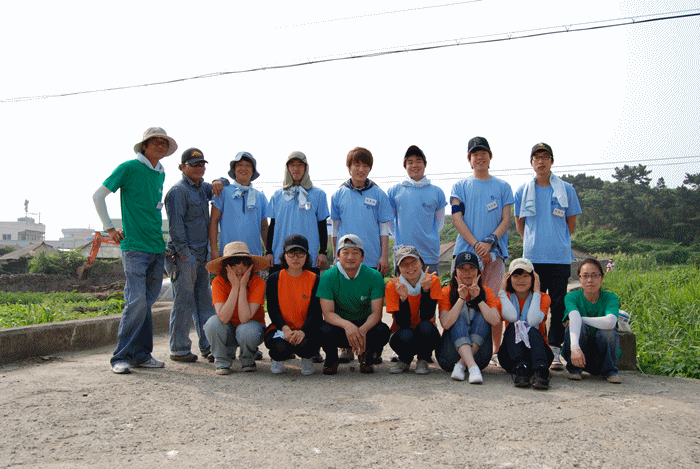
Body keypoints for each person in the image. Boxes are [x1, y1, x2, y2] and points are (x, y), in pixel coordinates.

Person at [93, 127, 177, 374]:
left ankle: (142, 354)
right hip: (135, 248)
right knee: (136, 301)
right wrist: (109, 228)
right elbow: (98, 196)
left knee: (146, 304)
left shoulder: (160, 173)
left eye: (164, 143)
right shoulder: (128, 168)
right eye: (155, 142)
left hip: (156, 247)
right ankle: (121, 357)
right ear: (144, 146)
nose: (160, 146)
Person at [514, 142, 582, 371]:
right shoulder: (522, 191)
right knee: (534, 303)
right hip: (533, 258)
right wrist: (534, 241)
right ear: (531, 162)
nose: (541, 161)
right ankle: (535, 346)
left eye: (545, 157)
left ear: (552, 161)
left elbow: (570, 223)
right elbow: (520, 224)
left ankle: (554, 349)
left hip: (560, 257)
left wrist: (557, 240)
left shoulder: (566, 189)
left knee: (558, 304)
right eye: (537, 157)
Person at [450, 136, 513, 359]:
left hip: (494, 254)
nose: (479, 157)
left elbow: (506, 220)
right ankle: (460, 347)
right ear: (469, 159)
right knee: (461, 299)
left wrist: (489, 242)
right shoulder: (460, 186)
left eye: (483, 153)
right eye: (475, 154)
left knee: (493, 302)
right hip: (465, 255)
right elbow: (457, 219)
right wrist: (477, 245)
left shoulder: (503, 187)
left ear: (490, 156)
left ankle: (496, 350)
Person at [164, 148, 216, 363]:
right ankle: (179, 348)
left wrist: (220, 181)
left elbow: (221, 186)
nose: (199, 168)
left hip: (201, 255)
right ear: (182, 167)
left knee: (204, 302)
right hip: (183, 256)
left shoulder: (202, 188)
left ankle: (208, 346)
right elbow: (175, 228)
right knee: (183, 302)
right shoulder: (178, 192)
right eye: (194, 164)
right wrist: (185, 256)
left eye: (202, 164)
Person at [317, 234, 390, 375]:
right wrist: (347, 326)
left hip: (365, 326)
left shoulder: (374, 276)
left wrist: (362, 330)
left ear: (362, 257)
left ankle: (366, 355)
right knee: (323, 330)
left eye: (355, 253)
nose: (350, 257)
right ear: (338, 256)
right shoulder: (327, 277)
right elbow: (328, 314)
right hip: (340, 327)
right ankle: (332, 358)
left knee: (382, 331)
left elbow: (376, 313)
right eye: (345, 252)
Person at [203, 241, 268, 375]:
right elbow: (223, 317)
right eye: (234, 265)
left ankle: (248, 359)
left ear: (250, 266)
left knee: (246, 329)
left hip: (251, 330)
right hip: (229, 330)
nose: (240, 270)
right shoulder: (218, 282)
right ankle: (221, 361)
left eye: (244, 265)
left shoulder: (258, 282)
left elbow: (244, 318)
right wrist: (235, 287)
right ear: (226, 267)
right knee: (212, 323)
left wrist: (242, 286)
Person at [436, 252, 500, 384]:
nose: (467, 273)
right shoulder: (447, 291)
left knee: (483, 315)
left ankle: (463, 364)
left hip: (480, 357)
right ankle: (472, 367)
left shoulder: (486, 291)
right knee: (456, 316)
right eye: (462, 269)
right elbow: (446, 324)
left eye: (471, 268)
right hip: (449, 357)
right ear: (455, 271)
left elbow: (495, 320)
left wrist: (478, 298)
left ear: (478, 272)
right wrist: (461, 298)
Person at [264, 235, 322, 376]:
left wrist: (302, 331)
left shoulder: (315, 279)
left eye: (300, 253)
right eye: (291, 253)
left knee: (306, 345)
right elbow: (273, 309)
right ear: (284, 255)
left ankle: (307, 358)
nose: (296, 258)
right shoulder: (274, 278)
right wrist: (285, 329)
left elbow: (315, 312)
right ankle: (277, 359)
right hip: (281, 328)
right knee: (280, 348)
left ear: (307, 256)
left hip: (306, 329)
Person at [330, 147, 393, 274]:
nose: (361, 170)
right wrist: (335, 258)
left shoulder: (379, 194)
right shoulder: (337, 195)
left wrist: (384, 256)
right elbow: (335, 229)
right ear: (349, 167)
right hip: (345, 261)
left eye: (365, 166)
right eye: (357, 165)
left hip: (372, 260)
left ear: (370, 168)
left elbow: (384, 228)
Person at [266, 151, 330, 274]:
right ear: (287, 168)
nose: (296, 168)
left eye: (300, 165)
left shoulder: (319, 194)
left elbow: (322, 225)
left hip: (309, 258)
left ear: (306, 168)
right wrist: (268, 251)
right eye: (292, 165)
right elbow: (272, 226)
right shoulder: (277, 195)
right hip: (280, 257)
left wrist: (323, 252)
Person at [387, 145, 447, 274]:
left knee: (430, 287)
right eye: (410, 162)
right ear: (405, 166)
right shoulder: (394, 191)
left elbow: (439, 224)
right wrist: (399, 238)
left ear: (425, 164)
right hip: (403, 256)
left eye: (418, 161)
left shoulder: (437, 192)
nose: (414, 165)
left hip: (429, 255)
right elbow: (390, 223)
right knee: (403, 288)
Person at [495, 258, 553, 389]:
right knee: (514, 325)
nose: (521, 280)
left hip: (539, 353)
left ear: (534, 278)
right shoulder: (504, 298)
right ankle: (520, 369)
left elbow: (533, 320)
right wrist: (502, 292)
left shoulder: (543, 297)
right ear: (508, 279)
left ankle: (541, 371)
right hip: (511, 356)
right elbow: (512, 317)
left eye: (526, 276)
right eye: (516, 276)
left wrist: (536, 292)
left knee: (529, 327)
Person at [562, 258, 622, 383]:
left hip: (601, 358)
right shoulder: (572, 297)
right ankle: (575, 370)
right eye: (585, 276)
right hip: (576, 355)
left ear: (602, 277)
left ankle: (609, 371)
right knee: (578, 327)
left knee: (608, 330)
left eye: (594, 275)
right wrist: (575, 348)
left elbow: (610, 322)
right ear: (579, 278)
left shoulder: (610, 298)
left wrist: (580, 319)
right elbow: (574, 316)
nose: (590, 280)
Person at [385, 245, 441, 375]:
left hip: (425, 332)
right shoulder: (392, 286)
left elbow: (427, 315)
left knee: (426, 326)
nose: (410, 267)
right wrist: (403, 299)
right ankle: (404, 359)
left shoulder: (432, 280)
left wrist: (425, 291)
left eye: (413, 262)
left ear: (421, 263)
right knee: (405, 334)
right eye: (404, 264)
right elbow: (402, 323)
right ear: (398, 268)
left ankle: (423, 359)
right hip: (402, 333)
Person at [209, 152, 269, 259]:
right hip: (228, 255)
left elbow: (264, 226)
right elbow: (213, 221)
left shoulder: (260, 197)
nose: (243, 168)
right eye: (240, 165)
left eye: (248, 166)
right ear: (234, 169)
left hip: (253, 256)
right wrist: (214, 249)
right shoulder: (223, 192)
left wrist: (268, 251)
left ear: (253, 171)